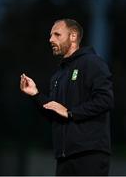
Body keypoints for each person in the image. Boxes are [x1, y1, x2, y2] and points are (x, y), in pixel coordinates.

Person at [20, 19, 114, 176]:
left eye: (57, 34)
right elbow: (56, 113)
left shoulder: (92, 63)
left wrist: (71, 113)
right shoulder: (58, 75)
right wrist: (36, 95)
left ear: (73, 36)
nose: (51, 39)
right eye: (50, 35)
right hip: (64, 157)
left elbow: (105, 100)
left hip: (89, 155)